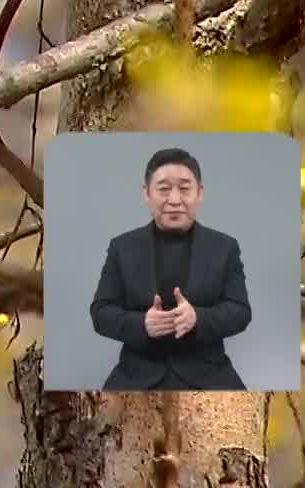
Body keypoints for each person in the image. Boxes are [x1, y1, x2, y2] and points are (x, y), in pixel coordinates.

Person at [89, 147, 251, 390]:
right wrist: (142, 323)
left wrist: (198, 318)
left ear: (200, 193)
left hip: (209, 375)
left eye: (185, 189)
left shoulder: (224, 247)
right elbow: (101, 313)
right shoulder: (122, 247)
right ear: (147, 194)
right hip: (136, 375)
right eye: (164, 189)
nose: (174, 200)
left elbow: (240, 311)